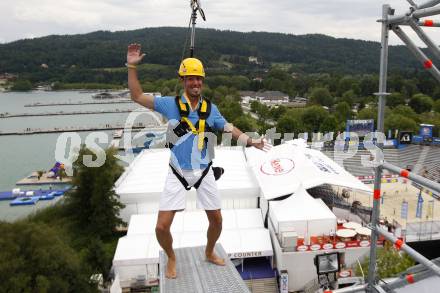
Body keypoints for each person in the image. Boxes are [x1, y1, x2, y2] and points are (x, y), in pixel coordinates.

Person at [126, 43, 265, 279]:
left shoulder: (210, 109)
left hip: (204, 170)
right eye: (191, 79)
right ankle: (171, 256)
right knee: (161, 227)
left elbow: (229, 127)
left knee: (217, 220)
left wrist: (250, 141)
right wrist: (131, 66)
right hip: (178, 171)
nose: (196, 83)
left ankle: (209, 251)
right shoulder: (170, 104)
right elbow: (137, 96)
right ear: (183, 81)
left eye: (199, 79)